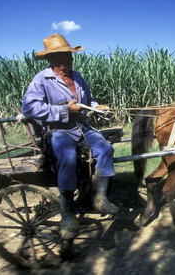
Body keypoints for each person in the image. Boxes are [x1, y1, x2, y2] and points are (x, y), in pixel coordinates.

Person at [22, 34, 118, 239]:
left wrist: (97, 106)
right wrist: (64, 110)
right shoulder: (42, 79)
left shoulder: (78, 77)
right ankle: (67, 213)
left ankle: (100, 198)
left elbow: (88, 100)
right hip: (58, 130)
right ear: (52, 59)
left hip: (82, 127)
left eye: (70, 55)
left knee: (106, 149)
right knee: (68, 158)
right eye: (65, 55)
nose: (70, 59)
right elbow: (29, 107)